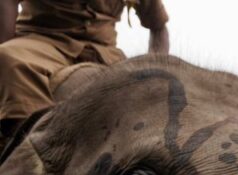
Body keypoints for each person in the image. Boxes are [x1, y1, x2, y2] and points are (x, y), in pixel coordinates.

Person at [0, 0, 169, 145]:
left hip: (104, 53)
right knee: (8, 58)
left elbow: (158, 27)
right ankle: (29, 143)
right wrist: (8, 46)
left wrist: (154, 69)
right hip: (41, 42)